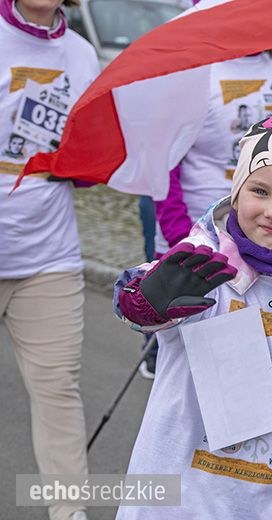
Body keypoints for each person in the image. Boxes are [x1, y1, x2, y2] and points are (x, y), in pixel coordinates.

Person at [114, 117, 272, 520]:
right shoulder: (204, 262)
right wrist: (147, 302)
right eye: (259, 191)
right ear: (236, 193)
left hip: (268, 506)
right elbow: (136, 298)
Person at [148, 49, 272, 377]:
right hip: (201, 244)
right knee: (192, 370)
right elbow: (164, 163)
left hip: (267, 243)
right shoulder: (193, 70)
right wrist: (184, 240)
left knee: (250, 367)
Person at [1, 0, 99, 518]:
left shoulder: (82, 54)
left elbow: (87, 154)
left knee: (58, 389)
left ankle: (69, 511)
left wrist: (89, 163)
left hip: (47, 256)